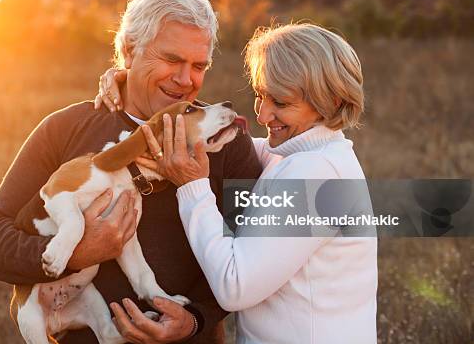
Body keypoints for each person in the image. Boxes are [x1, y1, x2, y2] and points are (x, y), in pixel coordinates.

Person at [0, 0, 262, 344]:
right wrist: (75, 251)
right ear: (128, 50)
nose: (186, 79)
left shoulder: (226, 141)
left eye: (199, 65)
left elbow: (256, 249)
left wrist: (195, 319)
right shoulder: (64, 129)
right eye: (171, 59)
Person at [99, 23, 378, 343]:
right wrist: (131, 80)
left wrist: (193, 186)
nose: (263, 115)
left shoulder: (316, 173)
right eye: (261, 96)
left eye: (281, 103)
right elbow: (230, 143)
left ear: (328, 100)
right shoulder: (297, 154)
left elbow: (235, 287)